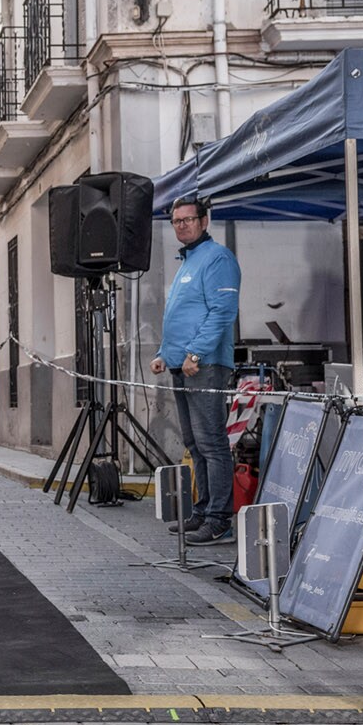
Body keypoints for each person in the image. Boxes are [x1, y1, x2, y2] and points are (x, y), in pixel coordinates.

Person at [149, 196, 241, 546]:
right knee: (194, 443)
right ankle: (203, 511)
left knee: (212, 443)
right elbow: (183, 316)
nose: (182, 225)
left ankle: (219, 520)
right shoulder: (187, 261)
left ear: (204, 221)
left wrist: (195, 354)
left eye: (188, 219)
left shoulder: (217, 259)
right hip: (182, 366)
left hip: (204, 367)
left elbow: (221, 312)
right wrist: (164, 353)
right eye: (176, 221)